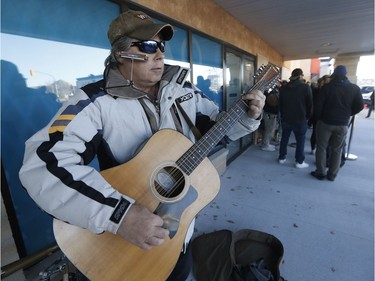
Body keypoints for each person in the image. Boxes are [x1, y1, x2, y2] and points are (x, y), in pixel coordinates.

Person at [19, 10, 265, 280]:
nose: (160, 54)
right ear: (121, 53)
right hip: (120, 239)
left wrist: (248, 117)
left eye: (161, 46)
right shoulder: (94, 102)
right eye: (148, 46)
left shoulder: (186, 91)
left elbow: (216, 132)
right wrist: (119, 214)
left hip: (179, 237)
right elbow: (42, 164)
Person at [310, 65, 363, 181]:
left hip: (325, 122)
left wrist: (319, 119)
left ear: (334, 75)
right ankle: (332, 175)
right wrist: (348, 114)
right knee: (337, 149)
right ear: (345, 75)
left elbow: (318, 106)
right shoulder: (354, 88)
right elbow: (359, 106)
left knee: (321, 148)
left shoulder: (326, 88)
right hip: (342, 124)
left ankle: (320, 172)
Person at [278, 68, 313, 168]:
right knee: (300, 141)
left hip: (286, 118)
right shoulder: (306, 87)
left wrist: (282, 115)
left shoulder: (284, 88)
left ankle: (282, 158)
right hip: (300, 119)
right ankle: (299, 161)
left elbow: (281, 104)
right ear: (300, 76)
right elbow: (310, 105)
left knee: (284, 138)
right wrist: (307, 117)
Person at [308, 75, 330, 154]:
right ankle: (317, 149)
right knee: (323, 135)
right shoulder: (327, 91)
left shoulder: (316, 90)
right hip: (323, 116)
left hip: (316, 115)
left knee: (315, 132)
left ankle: (313, 148)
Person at [261, 84, 280, 151]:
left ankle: (266, 144)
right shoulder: (274, 95)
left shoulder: (269, 94)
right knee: (269, 130)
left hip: (268, 114)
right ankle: (265, 145)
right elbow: (274, 105)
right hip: (271, 115)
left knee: (268, 130)